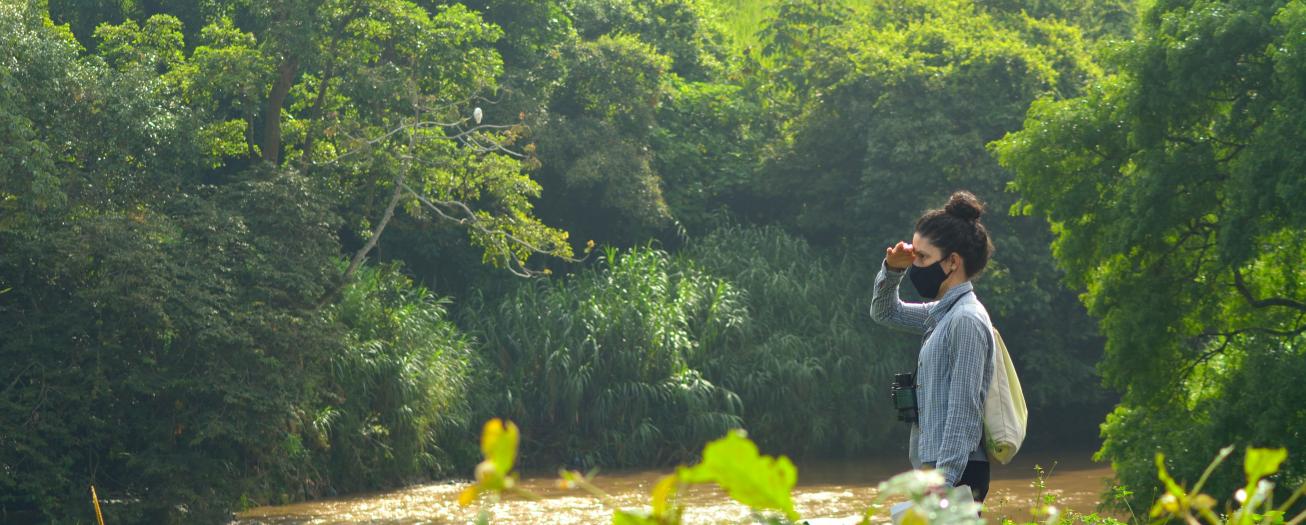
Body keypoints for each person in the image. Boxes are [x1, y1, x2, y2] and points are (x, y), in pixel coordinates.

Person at [871, 190, 997, 502]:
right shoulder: (941, 316)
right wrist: (893, 270)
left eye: (923, 259)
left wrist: (944, 479)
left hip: (957, 472)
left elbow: (964, 408)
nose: (917, 266)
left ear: (952, 262)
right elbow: (885, 312)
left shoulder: (965, 319)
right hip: (937, 468)